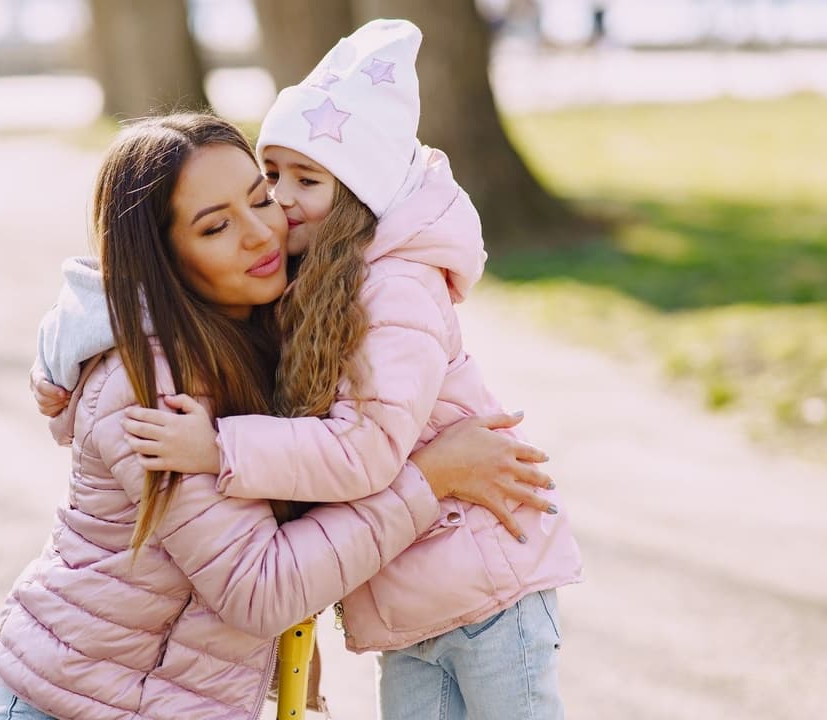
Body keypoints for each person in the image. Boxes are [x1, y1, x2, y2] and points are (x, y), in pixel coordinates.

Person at [33, 20, 582, 720]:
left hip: (482, 576)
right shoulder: (299, 280)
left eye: (298, 183)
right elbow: (112, 292)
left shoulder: (389, 289)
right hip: (413, 594)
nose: (275, 210)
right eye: (273, 177)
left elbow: (364, 447)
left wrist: (220, 447)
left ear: (357, 189)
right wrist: (61, 363)